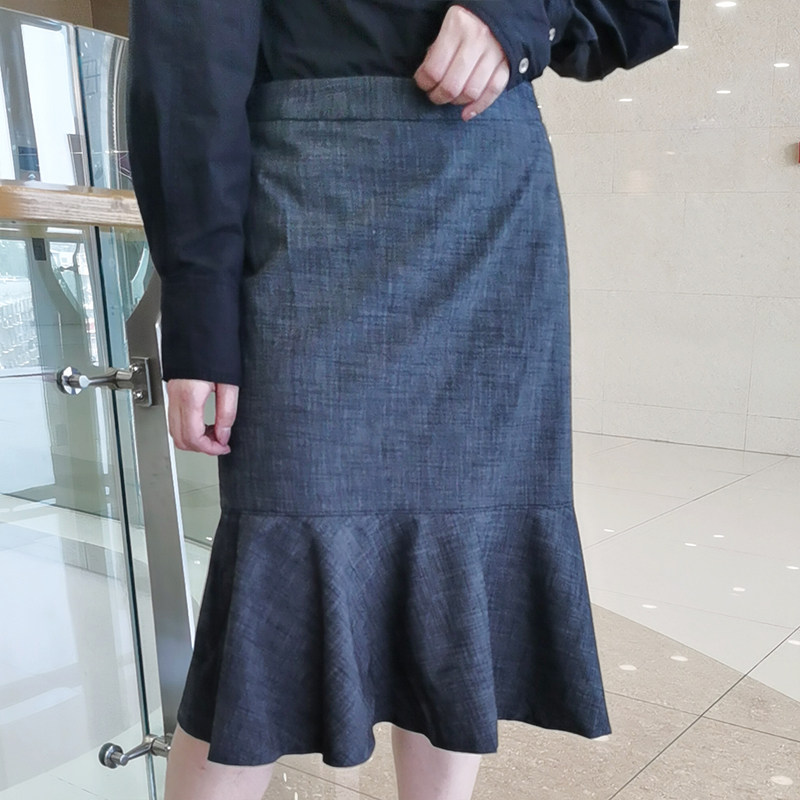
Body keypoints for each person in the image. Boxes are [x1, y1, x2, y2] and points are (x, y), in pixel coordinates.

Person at [127, 2, 678, 799]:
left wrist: (518, 11)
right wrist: (200, 302)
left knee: (458, 560)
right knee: (265, 590)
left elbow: (644, 15)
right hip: (308, 198)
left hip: (484, 196)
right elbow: (189, 53)